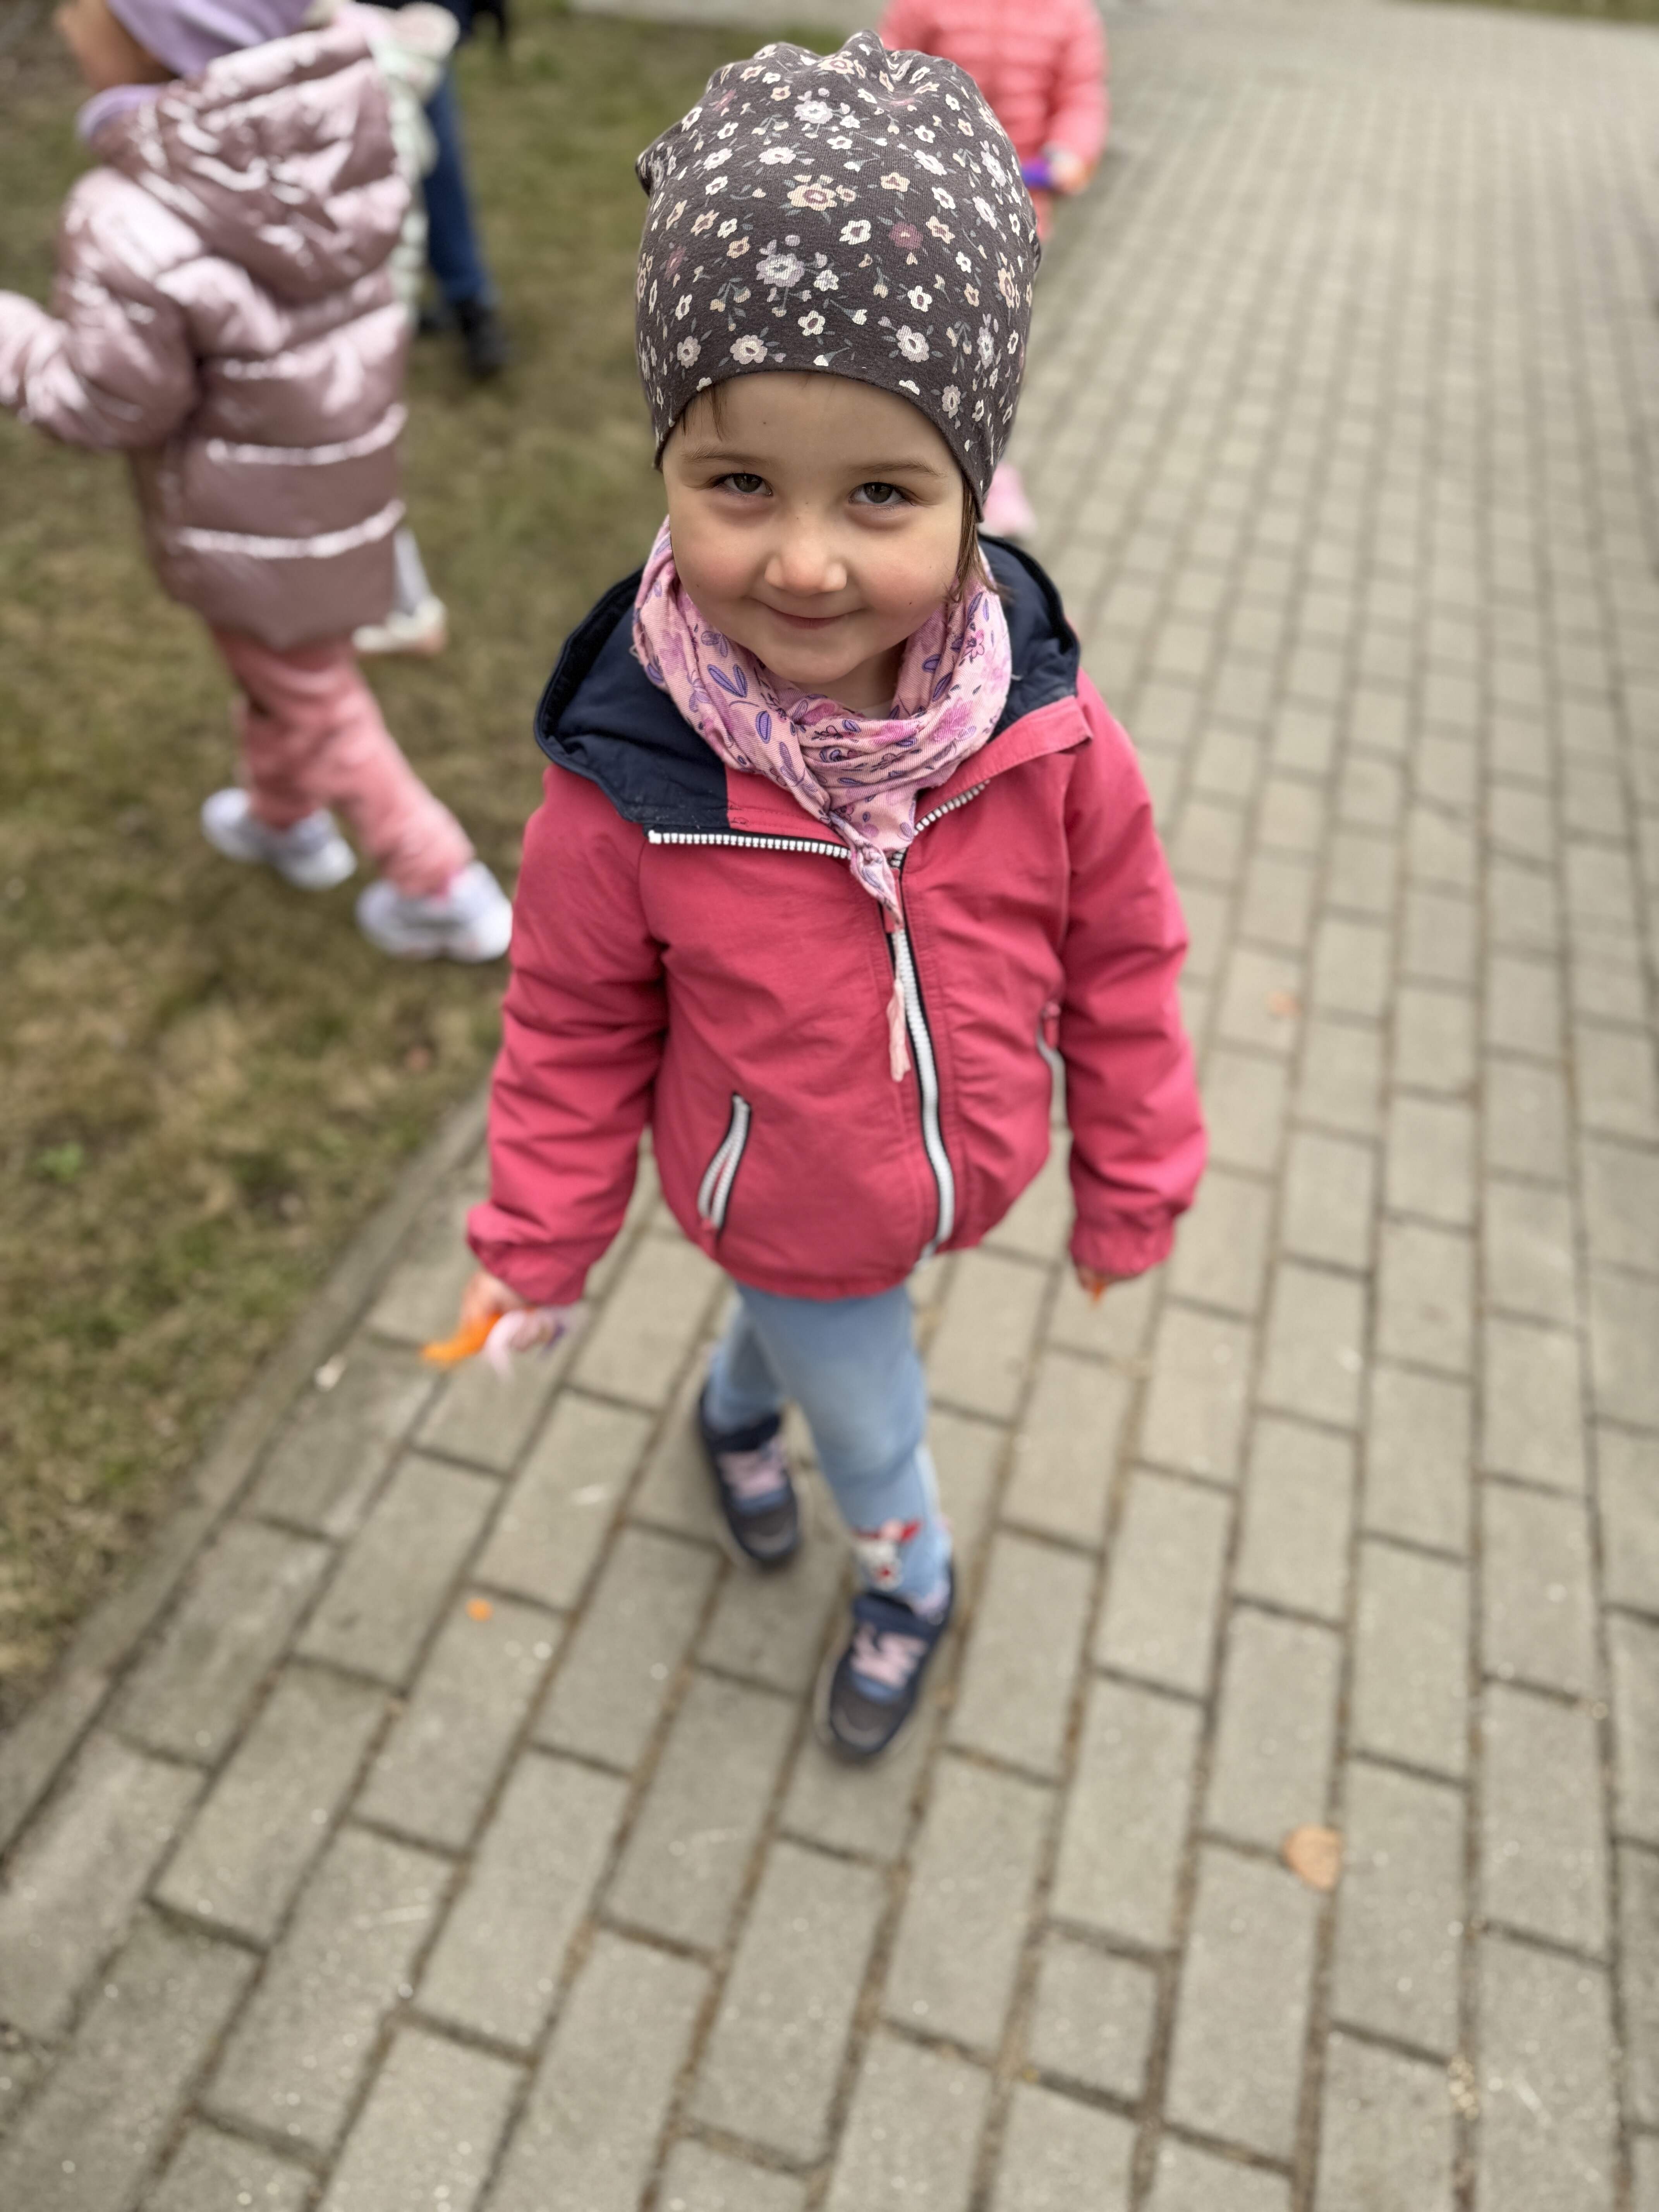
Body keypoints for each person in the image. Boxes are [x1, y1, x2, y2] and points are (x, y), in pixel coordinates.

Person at [455, 30, 1204, 1760]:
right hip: (785, 1192)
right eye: (740, 486)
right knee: (870, 1415)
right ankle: (909, 1578)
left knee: (803, 1331)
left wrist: (1134, 1171)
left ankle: (734, 1417)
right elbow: (569, 1027)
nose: (804, 561)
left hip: (935, 1172)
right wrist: (538, 1246)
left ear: (975, 489)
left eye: (880, 494)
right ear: (664, 466)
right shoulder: (627, 783)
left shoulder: (1044, 735)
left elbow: (1123, 958)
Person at [0, 0, 513, 961]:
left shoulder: (132, 212)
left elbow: (111, 403)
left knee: (316, 696)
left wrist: (16, 340)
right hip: (341, 476)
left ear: (152, 35)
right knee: (285, 671)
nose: (66, 22)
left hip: (243, 518)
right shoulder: (346, 131)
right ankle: (283, 820)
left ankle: (441, 884)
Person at [878, 0, 1108, 539]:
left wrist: (1070, 152)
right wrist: (899, 137)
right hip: (928, 209)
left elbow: (1081, 95)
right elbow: (887, 72)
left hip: (1016, 220)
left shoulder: (1068, 15)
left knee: (996, 356)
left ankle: (992, 467)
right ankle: (900, 456)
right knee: (919, 343)